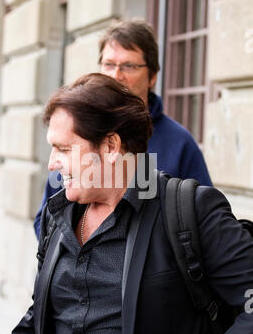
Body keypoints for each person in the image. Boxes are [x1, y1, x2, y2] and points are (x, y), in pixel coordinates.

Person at [0, 74, 253, 334]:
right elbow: (38, 322)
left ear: (110, 146)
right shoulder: (57, 211)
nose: (53, 163)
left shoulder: (190, 209)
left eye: (64, 148)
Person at [33, 19, 212, 239]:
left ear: (152, 76)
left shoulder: (179, 143)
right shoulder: (77, 136)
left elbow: (205, 225)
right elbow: (46, 218)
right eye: (108, 64)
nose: (116, 75)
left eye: (129, 66)